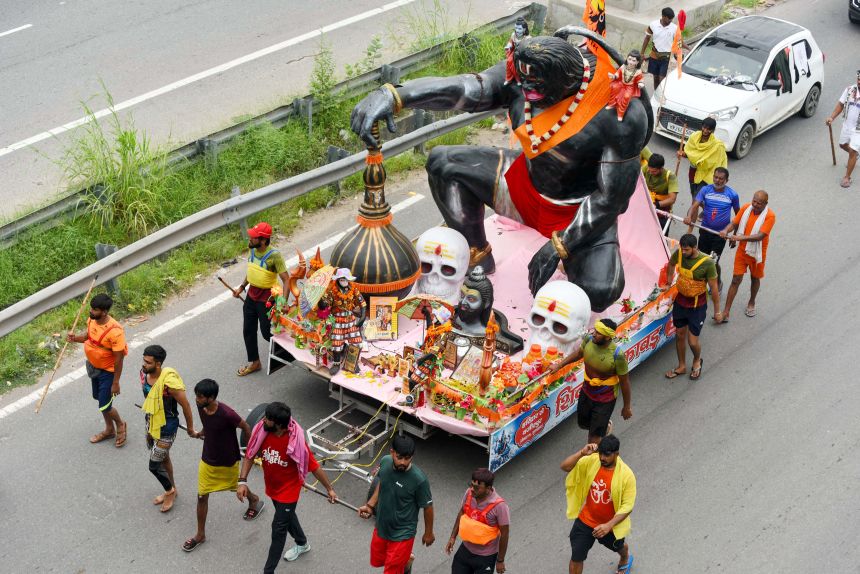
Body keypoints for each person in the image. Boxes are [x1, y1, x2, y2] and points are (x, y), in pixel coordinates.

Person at [351, 30, 652, 313]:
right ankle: (478, 256)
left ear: (568, 83)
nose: (528, 90)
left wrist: (558, 247)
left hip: (577, 210)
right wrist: (396, 96)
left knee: (599, 291)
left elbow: (611, 200)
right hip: (523, 184)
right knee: (443, 163)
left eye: (538, 86)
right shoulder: (522, 74)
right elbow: (467, 88)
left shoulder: (618, 112)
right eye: (525, 83)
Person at [238, 401, 337, 573]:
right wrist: (242, 481)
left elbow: (314, 467)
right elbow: (250, 454)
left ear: (280, 425)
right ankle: (302, 543)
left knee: (278, 529)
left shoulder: (296, 443)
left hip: (289, 492)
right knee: (287, 517)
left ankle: (268, 571)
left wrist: (329, 489)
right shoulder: (262, 432)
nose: (263, 421)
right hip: (273, 487)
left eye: (268, 419)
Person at [182, 379, 264, 552]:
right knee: (202, 496)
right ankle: (200, 534)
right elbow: (207, 424)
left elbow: (246, 427)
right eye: (196, 396)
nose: (196, 400)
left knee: (236, 486)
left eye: (200, 397)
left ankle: (254, 499)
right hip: (208, 459)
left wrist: (251, 450)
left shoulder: (227, 414)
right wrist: (201, 433)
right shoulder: (201, 406)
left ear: (211, 398)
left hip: (228, 460)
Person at [546, 318, 631, 445]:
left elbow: (625, 383)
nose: (594, 334)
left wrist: (626, 407)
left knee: (593, 439)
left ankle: (592, 454)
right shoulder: (589, 340)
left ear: (608, 337)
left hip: (605, 398)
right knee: (583, 423)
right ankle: (604, 425)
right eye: (595, 331)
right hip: (587, 391)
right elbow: (578, 354)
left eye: (598, 333)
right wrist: (559, 365)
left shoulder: (617, 355)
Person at [358, 435, 435, 574]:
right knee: (379, 561)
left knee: (391, 570)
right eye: (399, 457)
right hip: (382, 525)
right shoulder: (385, 461)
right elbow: (383, 482)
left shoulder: (419, 480)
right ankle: (406, 562)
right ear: (392, 452)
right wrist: (370, 506)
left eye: (407, 458)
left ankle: (403, 560)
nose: (403, 463)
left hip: (403, 533)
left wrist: (428, 533)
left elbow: (428, 507)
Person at [560, 435, 636, 574]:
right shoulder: (593, 461)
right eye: (601, 453)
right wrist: (582, 453)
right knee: (576, 557)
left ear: (616, 454)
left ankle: (625, 558)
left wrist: (609, 525)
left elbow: (628, 506)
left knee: (619, 547)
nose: (602, 458)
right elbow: (565, 466)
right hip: (586, 520)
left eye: (607, 455)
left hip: (610, 526)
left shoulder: (627, 475)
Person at [66, 293, 128, 448]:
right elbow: (88, 337)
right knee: (100, 401)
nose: (91, 312)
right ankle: (109, 430)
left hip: (107, 372)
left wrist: (116, 382)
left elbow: (119, 359)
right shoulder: (92, 320)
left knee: (105, 404)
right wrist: (74, 339)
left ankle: (120, 425)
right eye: (91, 308)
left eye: (95, 310)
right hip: (94, 369)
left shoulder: (115, 332)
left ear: (105, 312)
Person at [140, 345, 196, 513]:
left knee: (154, 466)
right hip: (151, 423)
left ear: (158, 364)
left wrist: (190, 428)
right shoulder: (144, 374)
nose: (143, 364)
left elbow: (186, 405)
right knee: (164, 459)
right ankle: (172, 488)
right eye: (143, 360)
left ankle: (169, 491)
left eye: (147, 362)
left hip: (167, 428)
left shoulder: (169, 383)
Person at [230, 221, 289, 377]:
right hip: (251, 296)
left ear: (263, 240)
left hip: (267, 299)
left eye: (254, 237)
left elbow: (286, 279)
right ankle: (255, 362)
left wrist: (283, 302)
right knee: (248, 330)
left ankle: (290, 350)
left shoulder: (274, 256)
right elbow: (252, 272)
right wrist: (241, 288)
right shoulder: (252, 250)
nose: (250, 239)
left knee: (266, 333)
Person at [664, 234, 721, 380]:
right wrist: (669, 281)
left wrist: (718, 311)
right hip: (681, 303)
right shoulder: (680, 254)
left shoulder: (707, 263)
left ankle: (696, 360)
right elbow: (671, 263)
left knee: (692, 341)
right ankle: (681, 366)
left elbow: (713, 288)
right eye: (682, 249)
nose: (683, 252)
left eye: (687, 250)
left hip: (697, 306)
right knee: (680, 335)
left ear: (695, 247)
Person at [718, 190, 776, 321]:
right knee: (735, 280)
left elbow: (760, 236)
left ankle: (752, 302)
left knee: (755, 278)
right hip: (742, 251)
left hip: (757, 253)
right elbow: (734, 223)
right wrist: (725, 230)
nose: (755, 205)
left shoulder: (770, 216)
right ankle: (726, 312)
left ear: (765, 204)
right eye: (754, 201)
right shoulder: (745, 208)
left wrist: (739, 238)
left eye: (759, 203)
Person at [445, 468, 510, 574]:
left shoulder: (500, 507)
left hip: (485, 558)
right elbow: (462, 512)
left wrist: (500, 560)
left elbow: (505, 534)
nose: (472, 489)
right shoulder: (469, 493)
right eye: (471, 485)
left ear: (488, 488)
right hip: (465, 551)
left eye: (477, 487)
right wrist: (452, 537)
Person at [685, 166, 740, 288]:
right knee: (701, 259)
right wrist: (689, 216)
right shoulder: (705, 190)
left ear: (727, 180)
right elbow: (694, 206)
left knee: (713, 262)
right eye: (715, 177)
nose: (717, 180)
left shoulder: (733, 195)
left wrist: (734, 236)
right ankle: (701, 285)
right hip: (704, 231)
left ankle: (717, 283)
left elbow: (738, 216)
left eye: (721, 178)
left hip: (720, 235)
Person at [824, 70, 860, 188]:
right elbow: (841, 104)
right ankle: (854, 155)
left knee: (853, 151)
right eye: (858, 79)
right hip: (847, 125)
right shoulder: (850, 90)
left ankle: (847, 177)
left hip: (858, 130)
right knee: (842, 145)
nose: (859, 81)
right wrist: (832, 117)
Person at [678, 117, 727, 199]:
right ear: (702, 126)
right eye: (704, 127)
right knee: (694, 195)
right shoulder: (694, 137)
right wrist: (682, 154)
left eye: (709, 129)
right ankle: (700, 209)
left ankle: (707, 210)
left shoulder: (717, 145)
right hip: (693, 171)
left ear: (713, 130)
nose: (705, 131)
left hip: (706, 175)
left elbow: (717, 161)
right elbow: (690, 154)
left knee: (697, 198)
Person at [640, 7, 686, 90]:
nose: (671, 21)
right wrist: (642, 53)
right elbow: (647, 38)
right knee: (656, 78)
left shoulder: (674, 28)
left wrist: (678, 53)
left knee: (662, 79)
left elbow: (679, 42)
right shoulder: (653, 25)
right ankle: (656, 94)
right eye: (669, 19)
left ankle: (661, 94)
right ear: (663, 16)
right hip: (654, 56)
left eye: (672, 19)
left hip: (666, 57)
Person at [641, 147, 678, 234]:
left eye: (654, 172)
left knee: (661, 235)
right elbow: (637, 180)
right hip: (647, 203)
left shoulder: (670, 176)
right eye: (649, 170)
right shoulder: (647, 168)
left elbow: (672, 199)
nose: (650, 173)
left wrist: (656, 205)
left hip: (662, 209)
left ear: (661, 169)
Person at [606, 50, 645, 122]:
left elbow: (640, 80)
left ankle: (620, 113)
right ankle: (611, 104)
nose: (631, 62)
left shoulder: (638, 71)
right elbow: (617, 75)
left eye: (633, 60)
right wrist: (613, 76)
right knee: (614, 88)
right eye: (629, 59)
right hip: (621, 83)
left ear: (637, 62)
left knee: (626, 97)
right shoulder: (623, 67)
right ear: (627, 59)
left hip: (629, 87)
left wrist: (640, 84)